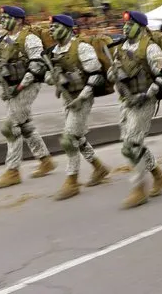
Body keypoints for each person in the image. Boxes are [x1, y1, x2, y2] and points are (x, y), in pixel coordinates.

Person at [0, 6, 56, 188]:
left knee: (11, 126)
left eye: (6, 17)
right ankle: (45, 160)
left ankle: (13, 171)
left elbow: (37, 67)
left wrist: (20, 87)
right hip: (12, 86)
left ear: (17, 20)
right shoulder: (4, 40)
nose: (2, 20)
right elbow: (2, 62)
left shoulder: (30, 39)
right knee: (24, 125)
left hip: (28, 86)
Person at [107, 11, 162, 208]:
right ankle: (158, 175)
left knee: (131, 145)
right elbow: (114, 72)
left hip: (144, 100)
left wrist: (147, 95)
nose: (125, 27)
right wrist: (112, 73)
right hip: (126, 100)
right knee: (129, 142)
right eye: (124, 24)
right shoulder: (121, 48)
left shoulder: (150, 48)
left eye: (130, 24)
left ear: (141, 26)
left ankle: (138, 189)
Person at [44, 14, 111, 200]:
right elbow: (49, 77)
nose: (51, 30)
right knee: (78, 137)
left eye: (55, 27)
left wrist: (82, 98)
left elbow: (96, 76)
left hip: (83, 97)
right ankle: (99, 168)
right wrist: (54, 77)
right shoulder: (54, 51)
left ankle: (71, 181)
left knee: (68, 139)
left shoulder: (81, 48)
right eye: (50, 28)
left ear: (67, 28)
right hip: (68, 98)